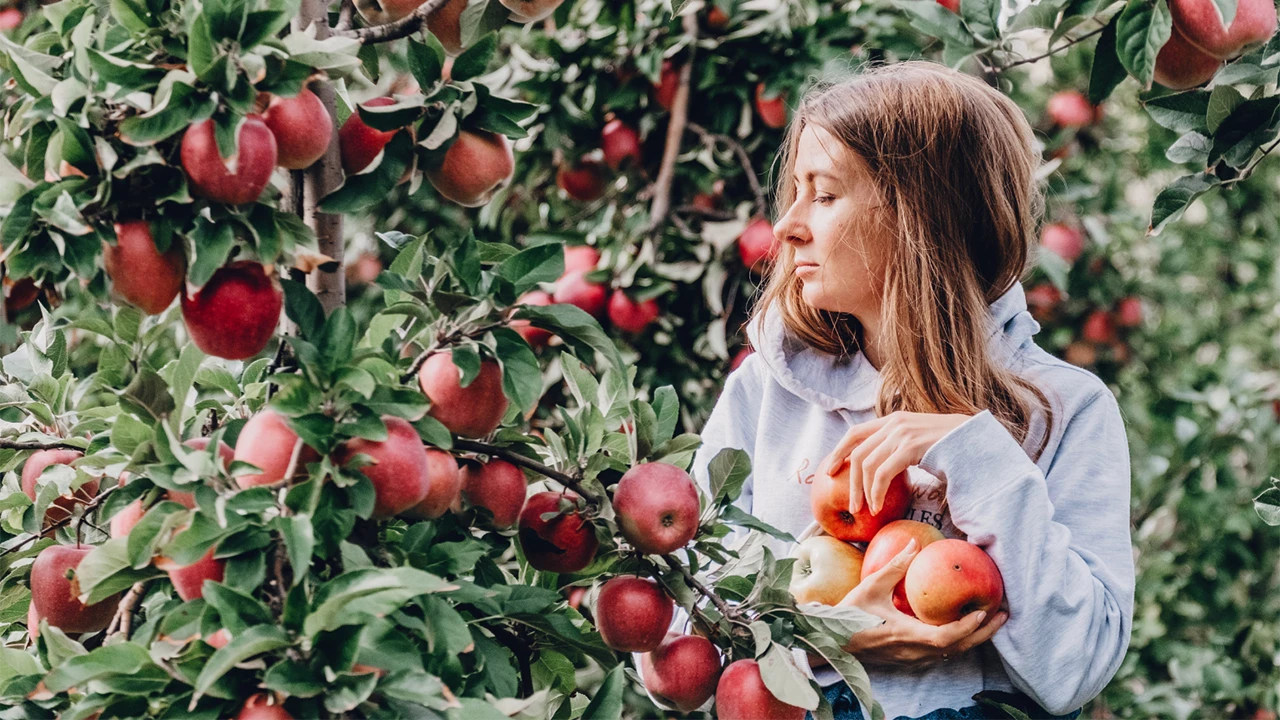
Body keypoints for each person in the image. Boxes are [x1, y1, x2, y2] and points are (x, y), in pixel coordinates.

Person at [643, 61, 1135, 720]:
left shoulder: (1061, 410)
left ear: (918, 215)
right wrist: (823, 637)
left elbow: (1077, 665)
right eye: (794, 193)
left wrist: (979, 458)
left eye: (823, 195)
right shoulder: (769, 391)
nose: (788, 227)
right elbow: (669, 643)